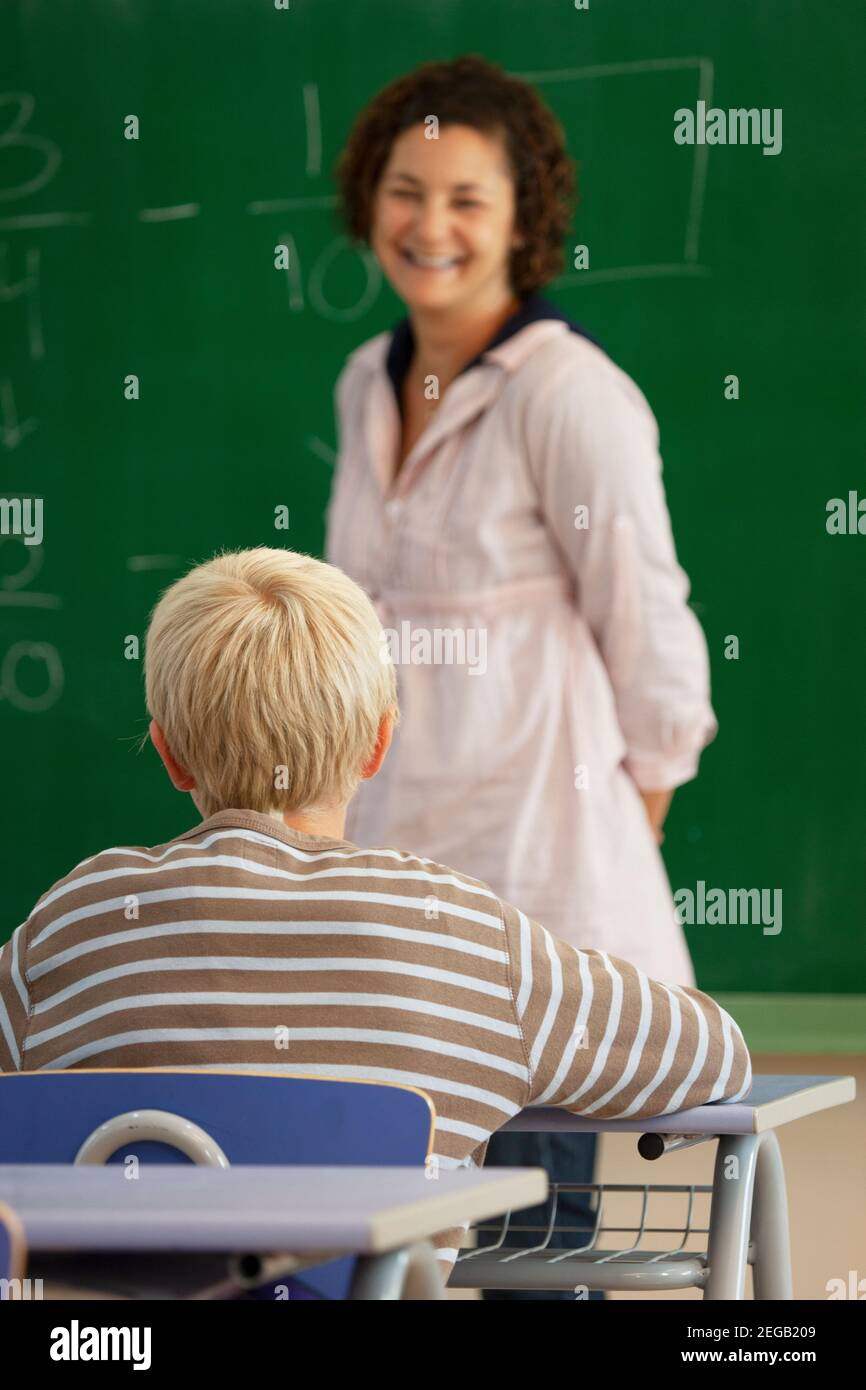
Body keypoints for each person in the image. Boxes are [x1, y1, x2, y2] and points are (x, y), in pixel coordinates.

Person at [0, 548, 749, 1291]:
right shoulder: (460, 936)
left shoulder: (72, 920)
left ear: (169, 753)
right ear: (379, 743)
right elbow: (715, 1055)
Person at [326, 55, 719, 1297]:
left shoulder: (568, 390)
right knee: (397, 1245)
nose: (427, 226)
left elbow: (648, 633)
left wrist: (610, 837)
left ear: (522, 219)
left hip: (541, 901)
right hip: (397, 893)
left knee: (532, 1268)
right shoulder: (362, 381)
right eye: (404, 190)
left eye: (464, 197)